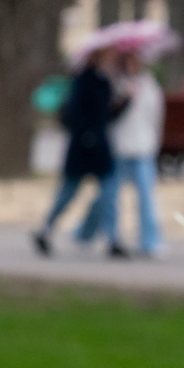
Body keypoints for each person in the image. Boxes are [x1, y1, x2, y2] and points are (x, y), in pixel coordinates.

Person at [34, 48, 129, 258]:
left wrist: (125, 101)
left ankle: (113, 239)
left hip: (100, 147)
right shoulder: (83, 80)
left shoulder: (106, 81)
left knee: (108, 193)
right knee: (68, 192)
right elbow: (74, 113)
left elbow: (106, 115)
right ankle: (45, 230)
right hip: (83, 146)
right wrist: (87, 134)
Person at [106, 50, 166, 257]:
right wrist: (125, 98)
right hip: (119, 147)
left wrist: (154, 142)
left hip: (142, 148)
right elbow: (110, 114)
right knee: (109, 196)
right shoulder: (116, 83)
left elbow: (155, 116)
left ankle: (150, 240)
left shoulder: (149, 85)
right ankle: (110, 237)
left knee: (146, 197)